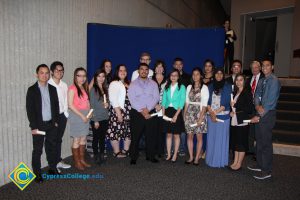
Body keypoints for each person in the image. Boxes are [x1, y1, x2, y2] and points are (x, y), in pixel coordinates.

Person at [26, 64, 60, 183]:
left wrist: (56, 122)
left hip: (51, 125)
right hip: (38, 126)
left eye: (47, 73)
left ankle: (52, 168)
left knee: (51, 148)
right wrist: (33, 127)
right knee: (38, 150)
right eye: (42, 73)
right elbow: (29, 110)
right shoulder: (32, 90)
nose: (44, 75)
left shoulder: (52, 88)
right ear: (37, 74)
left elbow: (56, 106)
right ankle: (37, 173)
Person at [248, 59, 281, 180]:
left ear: (272, 67)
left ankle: (266, 170)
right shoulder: (262, 80)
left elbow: (271, 102)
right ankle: (260, 164)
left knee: (266, 143)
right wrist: (257, 106)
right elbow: (256, 95)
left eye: (267, 65)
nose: (264, 67)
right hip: (260, 111)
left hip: (268, 115)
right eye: (263, 66)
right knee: (259, 140)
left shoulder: (274, 81)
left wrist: (259, 114)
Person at [128, 63, 160, 164]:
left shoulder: (153, 84)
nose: (144, 71)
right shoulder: (133, 84)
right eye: (142, 69)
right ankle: (133, 157)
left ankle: (150, 156)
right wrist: (142, 110)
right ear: (138, 71)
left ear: (148, 71)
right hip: (137, 113)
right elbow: (132, 99)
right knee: (135, 136)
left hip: (150, 112)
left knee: (151, 136)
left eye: (146, 69)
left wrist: (148, 108)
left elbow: (156, 97)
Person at [206, 68, 231, 168]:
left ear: (223, 75)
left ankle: (219, 161)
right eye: (217, 73)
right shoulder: (210, 86)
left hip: (223, 116)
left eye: (221, 73)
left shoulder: (228, 86)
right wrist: (211, 113)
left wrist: (214, 113)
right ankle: (210, 159)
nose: (219, 75)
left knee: (220, 139)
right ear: (214, 75)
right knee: (211, 138)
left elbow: (226, 102)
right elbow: (207, 101)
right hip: (211, 115)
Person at [48, 61, 71, 172]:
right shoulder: (48, 85)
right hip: (52, 117)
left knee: (59, 139)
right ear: (52, 71)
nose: (59, 72)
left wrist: (66, 114)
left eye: (61, 70)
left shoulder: (64, 85)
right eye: (57, 70)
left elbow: (66, 101)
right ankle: (53, 164)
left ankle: (58, 161)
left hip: (62, 115)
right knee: (52, 140)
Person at [184, 67, 209, 165]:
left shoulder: (204, 87)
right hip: (189, 114)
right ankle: (190, 157)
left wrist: (201, 118)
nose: (195, 76)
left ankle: (197, 158)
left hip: (200, 114)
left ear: (201, 76)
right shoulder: (189, 87)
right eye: (193, 74)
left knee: (199, 138)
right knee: (189, 137)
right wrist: (184, 115)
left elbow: (205, 105)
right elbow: (186, 102)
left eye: (197, 74)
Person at [68, 67, 91, 171]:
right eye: (79, 76)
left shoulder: (84, 88)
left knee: (83, 138)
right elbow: (70, 105)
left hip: (85, 115)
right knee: (76, 139)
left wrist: (90, 112)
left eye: (84, 76)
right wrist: (82, 116)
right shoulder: (72, 88)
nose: (82, 78)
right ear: (75, 76)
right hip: (77, 115)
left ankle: (82, 160)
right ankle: (77, 162)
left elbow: (87, 102)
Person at [229, 74, 253, 171]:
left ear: (244, 81)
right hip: (234, 120)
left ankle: (239, 164)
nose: (239, 82)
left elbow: (249, 108)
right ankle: (235, 162)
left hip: (242, 121)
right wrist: (231, 111)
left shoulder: (247, 92)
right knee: (236, 142)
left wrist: (236, 105)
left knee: (241, 143)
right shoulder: (235, 92)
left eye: (241, 80)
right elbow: (234, 108)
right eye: (237, 80)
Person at [162, 69, 186, 162]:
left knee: (176, 135)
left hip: (177, 112)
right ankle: (168, 154)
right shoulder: (166, 86)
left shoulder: (182, 87)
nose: (173, 77)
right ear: (169, 76)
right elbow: (163, 101)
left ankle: (175, 154)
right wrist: (163, 113)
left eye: (175, 75)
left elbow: (182, 102)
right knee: (168, 135)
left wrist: (176, 116)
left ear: (178, 77)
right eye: (172, 75)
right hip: (167, 111)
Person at [107, 64, 131, 158]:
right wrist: (119, 114)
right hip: (118, 111)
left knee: (127, 132)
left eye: (124, 70)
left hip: (128, 111)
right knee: (115, 131)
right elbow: (113, 99)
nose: (123, 72)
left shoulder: (128, 83)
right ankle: (116, 152)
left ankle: (126, 150)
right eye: (120, 70)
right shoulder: (114, 83)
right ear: (117, 72)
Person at [90, 69, 109, 165]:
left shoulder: (105, 88)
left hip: (105, 118)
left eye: (103, 76)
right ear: (95, 77)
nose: (101, 78)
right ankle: (96, 156)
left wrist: (107, 105)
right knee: (96, 138)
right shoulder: (93, 89)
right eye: (99, 76)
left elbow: (107, 103)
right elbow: (91, 106)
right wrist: (95, 120)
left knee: (102, 138)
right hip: (96, 118)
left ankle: (102, 155)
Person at [246, 61, 264, 158]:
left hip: (260, 107)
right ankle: (250, 150)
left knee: (259, 131)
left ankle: (258, 153)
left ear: (260, 68)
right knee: (250, 130)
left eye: (256, 67)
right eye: (252, 68)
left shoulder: (264, 79)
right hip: (250, 107)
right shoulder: (248, 79)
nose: (254, 69)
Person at [173, 57, 191, 156]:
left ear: (182, 65)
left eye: (180, 64)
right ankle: (172, 149)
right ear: (173, 65)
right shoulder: (170, 76)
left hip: (184, 106)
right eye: (176, 64)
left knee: (183, 128)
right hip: (173, 107)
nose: (178, 66)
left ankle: (182, 149)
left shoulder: (188, 77)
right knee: (173, 128)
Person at [152, 60, 168, 158]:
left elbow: (168, 96)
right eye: (157, 67)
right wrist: (155, 105)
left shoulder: (167, 81)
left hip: (163, 109)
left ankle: (161, 151)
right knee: (152, 130)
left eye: (161, 67)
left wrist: (161, 106)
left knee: (162, 130)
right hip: (152, 108)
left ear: (163, 69)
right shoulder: (150, 80)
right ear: (154, 69)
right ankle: (152, 149)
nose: (159, 68)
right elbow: (148, 95)